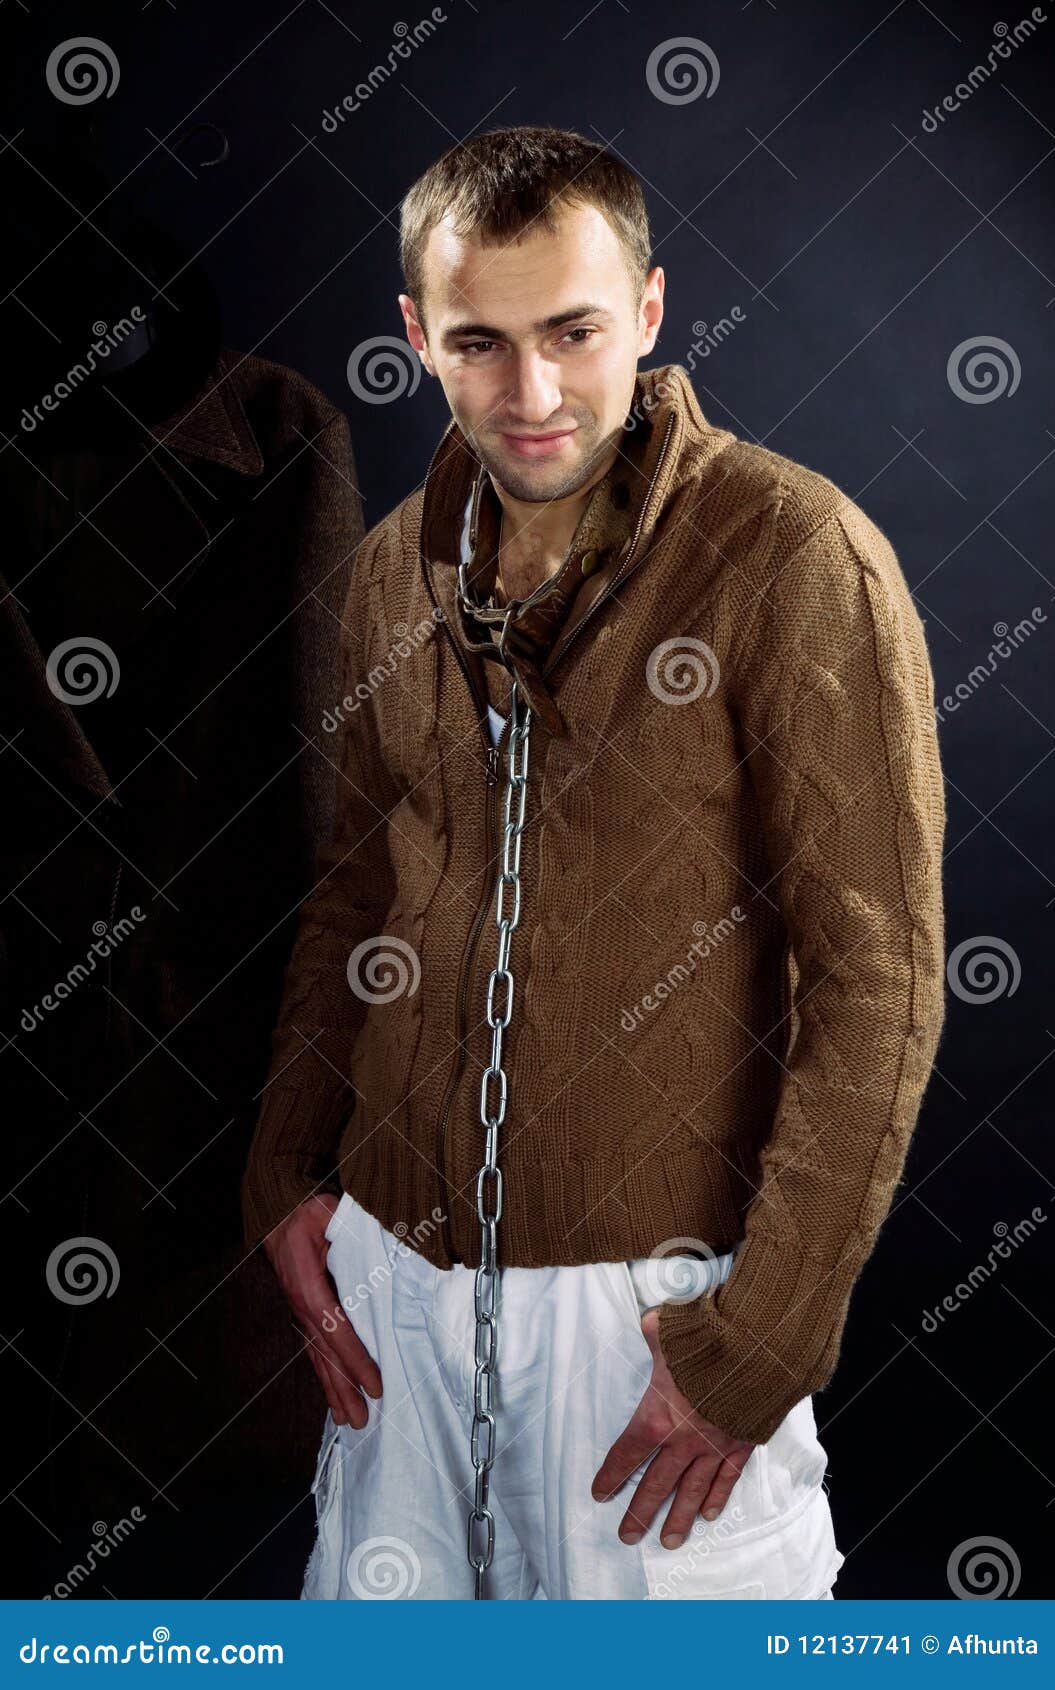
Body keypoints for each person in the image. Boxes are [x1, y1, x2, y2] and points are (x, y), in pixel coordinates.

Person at [241, 124, 946, 1601]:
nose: (534, 391)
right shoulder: (385, 572)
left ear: (647, 309)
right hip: (393, 1301)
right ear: (416, 335)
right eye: (481, 343)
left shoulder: (793, 551)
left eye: (572, 330)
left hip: (654, 1311)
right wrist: (285, 1174)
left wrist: (761, 1337)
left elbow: (876, 979)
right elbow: (352, 896)